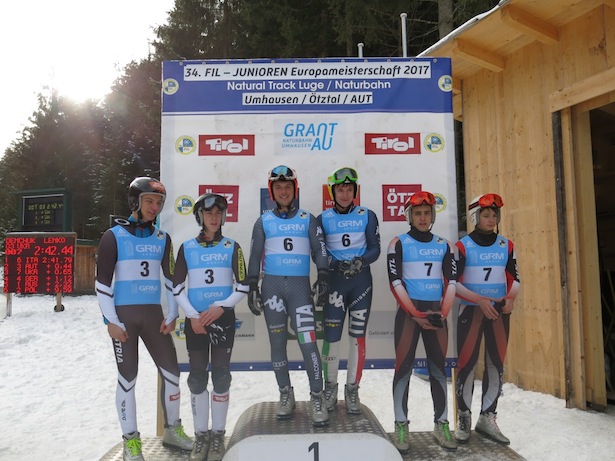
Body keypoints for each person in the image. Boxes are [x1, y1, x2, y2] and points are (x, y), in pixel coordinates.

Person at [95, 177, 192, 461]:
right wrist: (111, 321)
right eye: (149, 201)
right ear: (135, 202)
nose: (154, 207)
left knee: (172, 373)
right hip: (124, 319)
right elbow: (102, 284)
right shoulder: (112, 236)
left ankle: (173, 430)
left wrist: (174, 313)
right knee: (128, 378)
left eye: (159, 203)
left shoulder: (163, 239)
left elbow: (173, 280)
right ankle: (130, 441)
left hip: (153, 317)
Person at [246, 165, 330, 426]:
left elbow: (320, 251)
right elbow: (255, 255)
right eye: (279, 187)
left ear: (295, 190)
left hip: (299, 290)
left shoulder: (308, 218)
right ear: (272, 192)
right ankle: (286, 394)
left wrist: (324, 275)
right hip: (272, 289)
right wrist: (251, 286)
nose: (283, 191)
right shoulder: (263, 221)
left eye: (288, 187)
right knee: (277, 344)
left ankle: (317, 395)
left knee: (308, 343)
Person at [173, 193, 249, 461]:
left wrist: (221, 307)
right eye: (208, 213)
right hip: (195, 323)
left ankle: (218, 436)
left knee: (221, 376)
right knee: (196, 378)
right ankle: (200, 436)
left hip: (222, 320)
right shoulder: (187, 248)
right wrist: (193, 315)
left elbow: (243, 286)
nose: (214, 218)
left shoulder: (232, 246)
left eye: (218, 213)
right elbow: (177, 287)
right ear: (199, 217)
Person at [386, 191, 458, 453]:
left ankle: (441, 424)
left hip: (437, 313)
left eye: (427, 213)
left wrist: (443, 312)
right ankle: (401, 424)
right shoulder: (398, 243)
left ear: (433, 216)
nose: (423, 217)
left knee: (438, 370)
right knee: (403, 369)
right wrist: (415, 313)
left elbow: (451, 282)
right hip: (408, 314)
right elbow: (395, 283)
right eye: (418, 213)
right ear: (409, 216)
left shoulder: (445, 244)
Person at [454, 193, 521, 445]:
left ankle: (487, 416)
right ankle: (464, 417)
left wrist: (511, 298)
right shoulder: (462, 246)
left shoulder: (506, 245)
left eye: (494, 215)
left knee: (496, 365)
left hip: (498, 313)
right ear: (474, 216)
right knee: (467, 366)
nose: (491, 219)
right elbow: (453, 284)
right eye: (485, 215)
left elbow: (514, 277)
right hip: (471, 312)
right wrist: (478, 300)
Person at [316, 167, 381, 414]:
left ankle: (352, 388)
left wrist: (360, 262)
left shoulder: (368, 215)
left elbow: (375, 248)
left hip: (360, 282)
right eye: (340, 189)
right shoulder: (322, 218)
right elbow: (319, 252)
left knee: (357, 337)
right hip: (336, 282)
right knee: (331, 338)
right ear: (333, 191)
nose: (345, 193)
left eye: (349, 189)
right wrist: (334, 264)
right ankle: (330, 386)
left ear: (355, 191)